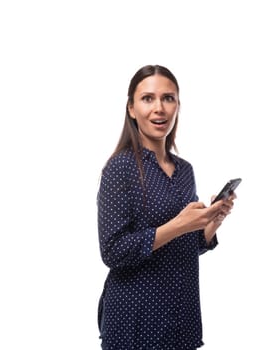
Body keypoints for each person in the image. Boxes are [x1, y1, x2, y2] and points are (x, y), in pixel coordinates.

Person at [96, 64, 237, 349]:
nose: (159, 108)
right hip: (135, 322)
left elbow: (183, 244)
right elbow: (112, 251)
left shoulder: (185, 170)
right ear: (131, 109)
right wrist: (178, 225)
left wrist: (210, 223)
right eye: (148, 98)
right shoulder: (120, 168)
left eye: (168, 98)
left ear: (177, 106)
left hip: (180, 318)